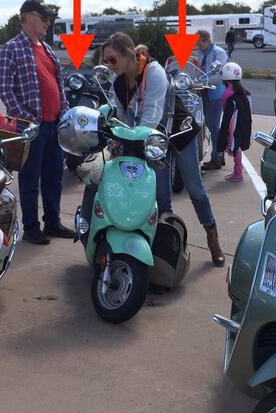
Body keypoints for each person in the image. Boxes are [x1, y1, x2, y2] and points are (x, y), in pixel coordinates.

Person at [102, 33, 225, 267]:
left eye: (113, 60)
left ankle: (213, 238)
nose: (109, 65)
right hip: (150, 141)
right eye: (106, 61)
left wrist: (133, 140)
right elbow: (120, 117)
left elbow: (152, 116)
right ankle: (166, 250)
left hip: (177, 133)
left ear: (129, 54)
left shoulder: (154, 72)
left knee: (194, 187)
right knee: (159, 196)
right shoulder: (119, 83)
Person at [0, 0, 75, 245]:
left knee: (54, 177)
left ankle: (52, 222)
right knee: (30, 180)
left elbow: (58, 85)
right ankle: (31, 227)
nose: (49, 23)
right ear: (30, 18)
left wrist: (65, 112)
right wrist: (27, 118)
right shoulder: (12, 48)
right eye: (45, 18)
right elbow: (4, 89)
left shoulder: (47, 49)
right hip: (32, 128)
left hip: (54, 124)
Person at [196, 29, 228, 170]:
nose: (198, 46)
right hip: (205, 93)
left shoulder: (218, 53)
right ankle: (218, 155)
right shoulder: (202, 53)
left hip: (215, 94)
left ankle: (217, 157)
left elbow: (220, 76)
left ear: (207, 40)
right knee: (210, 126)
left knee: (214, 126)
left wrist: (201, 81)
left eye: (200, 43)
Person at [217, 63, 252, 183]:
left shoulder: (227, 92)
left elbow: (224, 109)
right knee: (238, 147)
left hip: (233, 124)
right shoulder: (245, 92)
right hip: (244, 123)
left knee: (234, 146)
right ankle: (238, 171)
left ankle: (238, 173)